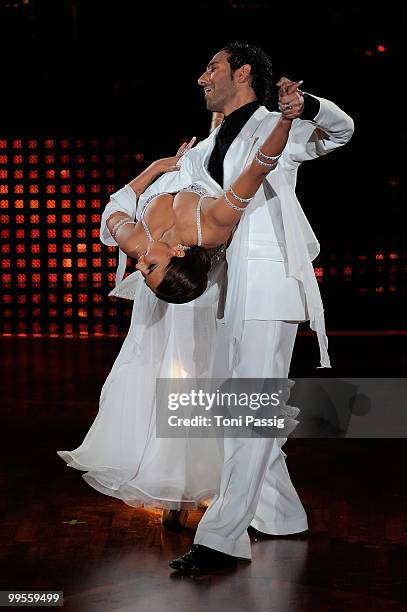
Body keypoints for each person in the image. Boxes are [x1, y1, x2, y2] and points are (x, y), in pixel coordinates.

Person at [125, 41, 354, 572]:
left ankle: (221, 539)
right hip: (226, 289)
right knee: (240, 410)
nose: (202, 78)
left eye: (212, 68)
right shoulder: (206, 146)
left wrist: (309, 107)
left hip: (269, 282)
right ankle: (280, 514)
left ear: (243, 72)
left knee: (249, 407)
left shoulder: (281, 122)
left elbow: (342, 131)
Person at [57, 106, 296, 519]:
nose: (137, 265)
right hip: (176, 297)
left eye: (142, 270)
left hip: (198, 300)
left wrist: (156, 169)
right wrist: (164, 163)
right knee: (169, 381)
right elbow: (253, 169)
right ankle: (179, 487)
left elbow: (113, 210)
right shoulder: (204, 224)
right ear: (178, 252)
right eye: (147, 268)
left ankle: (198, 485)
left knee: (193, 384)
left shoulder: (143, 241)